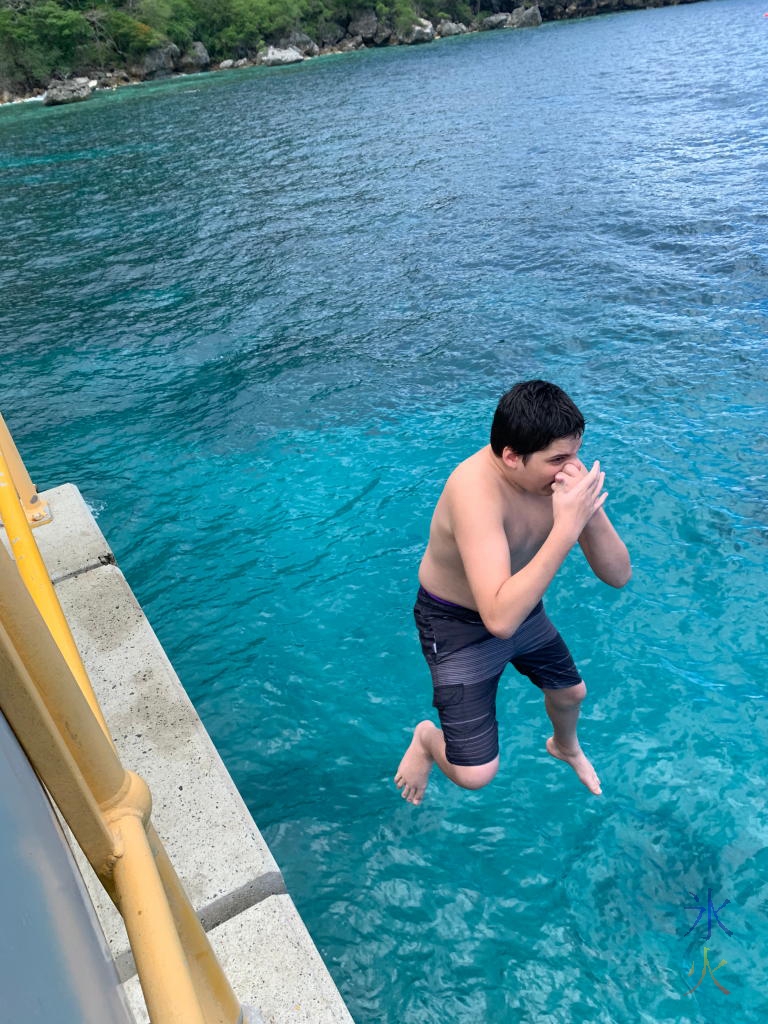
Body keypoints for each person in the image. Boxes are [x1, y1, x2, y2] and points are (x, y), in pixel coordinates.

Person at [394, 380, 631, 805]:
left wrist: (588, 511)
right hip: (456, 623)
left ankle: (565, 747)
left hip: (518, 603)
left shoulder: (553, 484)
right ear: (511, 456)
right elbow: (498, 622)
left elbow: (618, 575)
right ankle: (427, 740)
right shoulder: (474, 492)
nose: (570, 469)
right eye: (558, 459)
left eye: (575, 453)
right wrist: (566, 527)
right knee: (476, 775)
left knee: (570, 693)